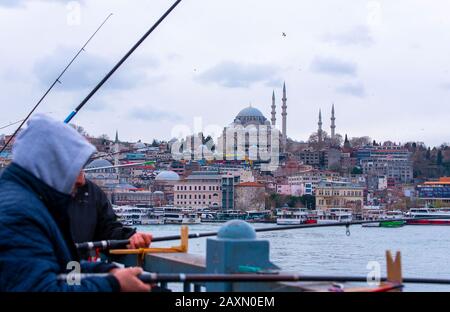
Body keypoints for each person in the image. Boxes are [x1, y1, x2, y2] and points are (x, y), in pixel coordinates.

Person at [0, 114, 150, 292]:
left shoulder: (30, 201)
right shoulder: (18, 213)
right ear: (51, 165)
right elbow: (39, 287)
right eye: (73, 166)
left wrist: (107, 271)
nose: (81, 181)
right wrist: (114, 284)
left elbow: (60, 268)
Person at [68, 171, 152, 253]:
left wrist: (128, 238)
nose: (81, 180)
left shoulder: (92, 192)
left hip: (77, 265)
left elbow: (107, 231)